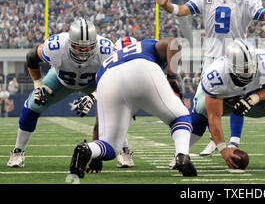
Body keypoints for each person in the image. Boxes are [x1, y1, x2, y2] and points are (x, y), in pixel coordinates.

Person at [151, 0, 265, 157]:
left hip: (238, 58)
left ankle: (233, 142)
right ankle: (189, 151)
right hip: (213, 58)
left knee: (240, 97)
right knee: (200, 106)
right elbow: (181, 11)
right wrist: (165, 5)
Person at [69, 37, 197, 178]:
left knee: (110, 146)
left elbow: (98, 125)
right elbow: (174, 43)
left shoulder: (102, 67)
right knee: (180, 116)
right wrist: (172, 78)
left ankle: (88, 149)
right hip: (143, 69)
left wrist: (96, 160)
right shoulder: (145, 45)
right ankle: (182, 156)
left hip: (107, 79)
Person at [7, 18, 113, 168]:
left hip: (94, 83)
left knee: (114, 107)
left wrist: (93, 96)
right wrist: (38, 85)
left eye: (88, 47)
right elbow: (31, 56)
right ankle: (18, 151)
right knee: (34, 105)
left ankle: (123, 150)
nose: (84, 51)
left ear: (95, 44)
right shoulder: (56, 46)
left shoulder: (106, 49)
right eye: (79, 47)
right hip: (61, 81)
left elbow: (112, 79)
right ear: (70, 43)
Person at [185, 40, 265, 169]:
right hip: (222, 99)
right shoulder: (216, 75)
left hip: (248, 96)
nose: (248, 71)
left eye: (250, 66)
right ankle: (182, 153)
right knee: (202, 109)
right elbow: (214, 118)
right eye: (243, 68)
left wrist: (253, 99)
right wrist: (223, 149)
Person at [71, 36, 138, 173]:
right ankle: (123, 150)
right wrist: (97, 159)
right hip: (115, 89)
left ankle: (181, 152)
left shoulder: (148, 65)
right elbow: (98, 124)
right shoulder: (107, 71)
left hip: (140, 86)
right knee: (117, 115)